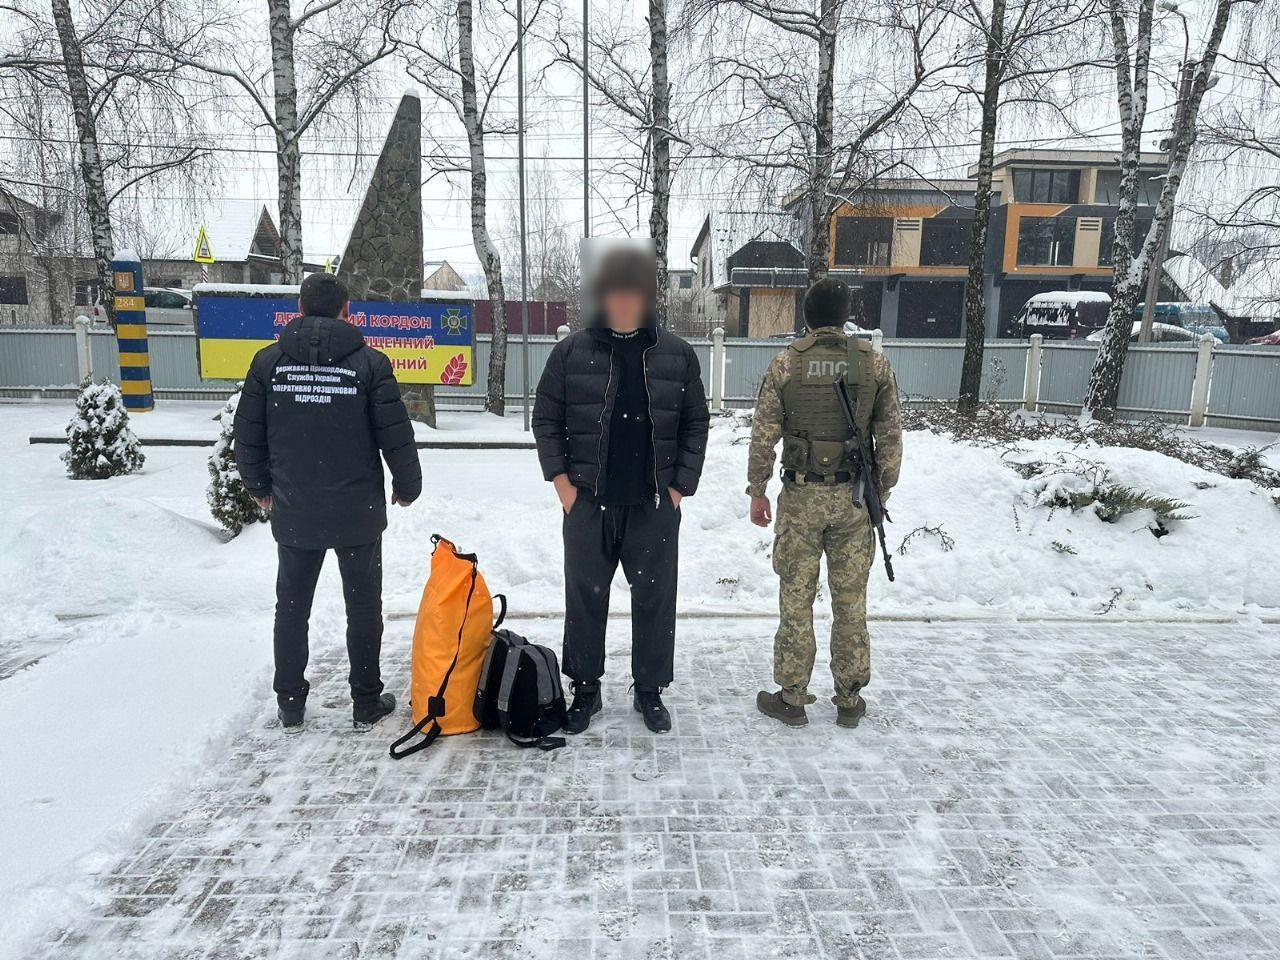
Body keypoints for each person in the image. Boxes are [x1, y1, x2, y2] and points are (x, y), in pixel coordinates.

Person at [532, 247, 710, 734]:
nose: (625, 301)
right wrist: (564, 488)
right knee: (584, 599)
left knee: (655, 600)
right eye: (616, 292)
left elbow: (696, 424)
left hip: (653, 504)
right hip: (588, 503)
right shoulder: (571, 353)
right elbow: (546, 419)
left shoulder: (677, 355)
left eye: (634, 292)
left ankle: (649, 690)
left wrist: (678, 490)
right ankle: (585, 689)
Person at [234, 272, 422, 731]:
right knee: (363, 607)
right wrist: (407, 485)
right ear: (347, 311)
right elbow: (395, 435)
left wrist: (259, 487)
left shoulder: (268, 363)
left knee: (292, 607)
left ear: (299, 309)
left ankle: (290, 703)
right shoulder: (370, 365)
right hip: (357, 511)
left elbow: (248, 436)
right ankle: (366, 701)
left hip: (295, 507)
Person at [747, 277, 902, 728]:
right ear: (845, 316)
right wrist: (879, 494)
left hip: (801, 498)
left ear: (808, 317)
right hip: (853, 500)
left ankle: (792, 697)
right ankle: (849, 699)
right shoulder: (873, 364)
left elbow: (763, 434)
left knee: (796, 599)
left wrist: (757, 489)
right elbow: (890, 440)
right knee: (851, 603)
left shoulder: (786, 363)